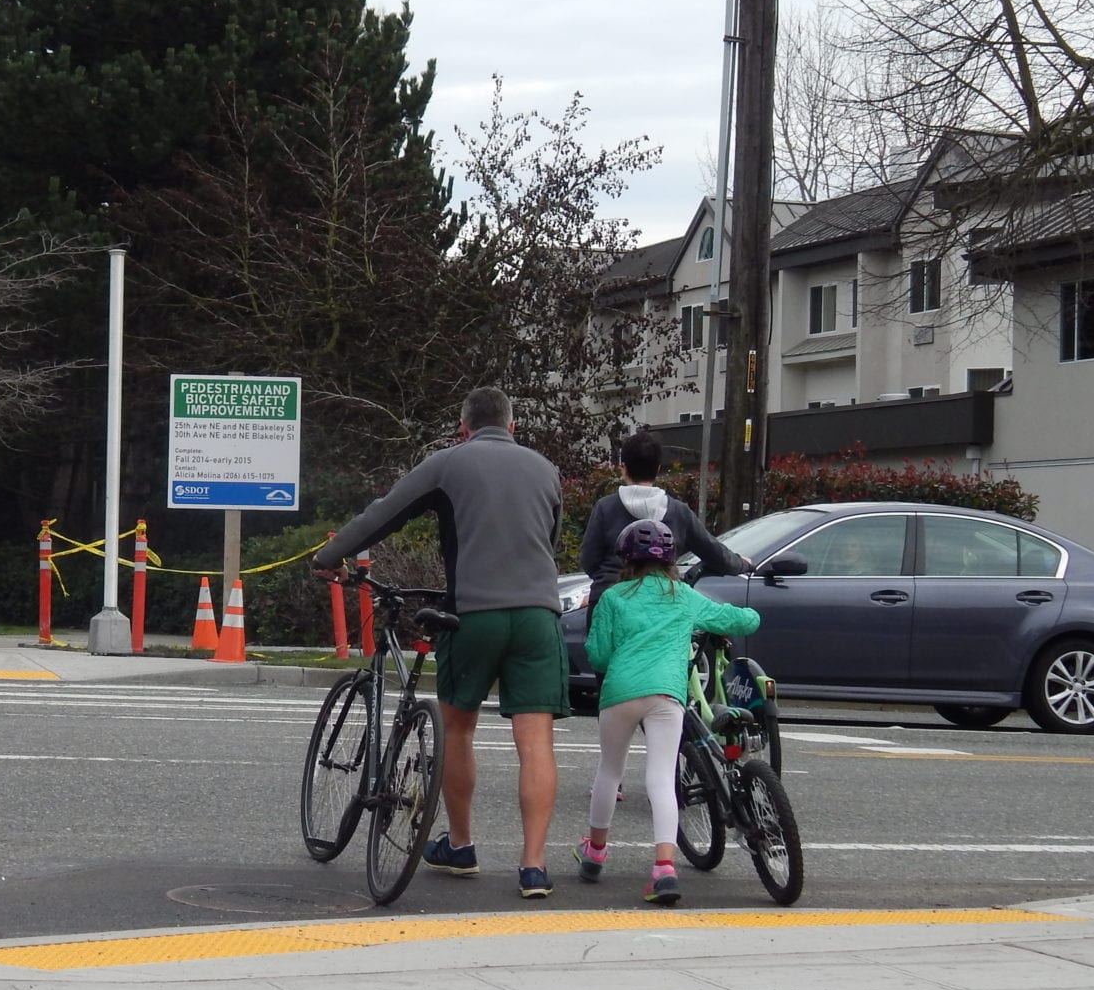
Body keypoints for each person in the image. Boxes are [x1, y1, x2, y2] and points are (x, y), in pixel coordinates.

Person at [314, 386, 569, 899]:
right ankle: (534, 866)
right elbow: (552, 537)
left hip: (473, 613)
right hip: (540, 614)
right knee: (535, 741)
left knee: (458, 729)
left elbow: (384, 513)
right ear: (513, 426)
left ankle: (461, 843)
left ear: (463, 426)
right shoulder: (545, 469)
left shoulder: (448, 464)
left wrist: (330, 555)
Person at [578, 519, 762, 904]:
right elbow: (739, 619)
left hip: (621, 692)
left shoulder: (613, 598)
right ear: (672, 559)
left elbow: (598, 653)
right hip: (666, 693)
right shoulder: (683, 596)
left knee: (610, 771)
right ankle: (663, 869)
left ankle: (595, 851)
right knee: (661, 778)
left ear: (625, 558)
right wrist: (751, 617)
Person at [578, 430, 749, 605]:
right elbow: (714, 553)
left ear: (624, 468)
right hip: (661, 604)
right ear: (658, 468)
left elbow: (589, 559)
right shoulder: (678, 511)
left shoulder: (605, 507)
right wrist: (741, 563)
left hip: (608, 600)